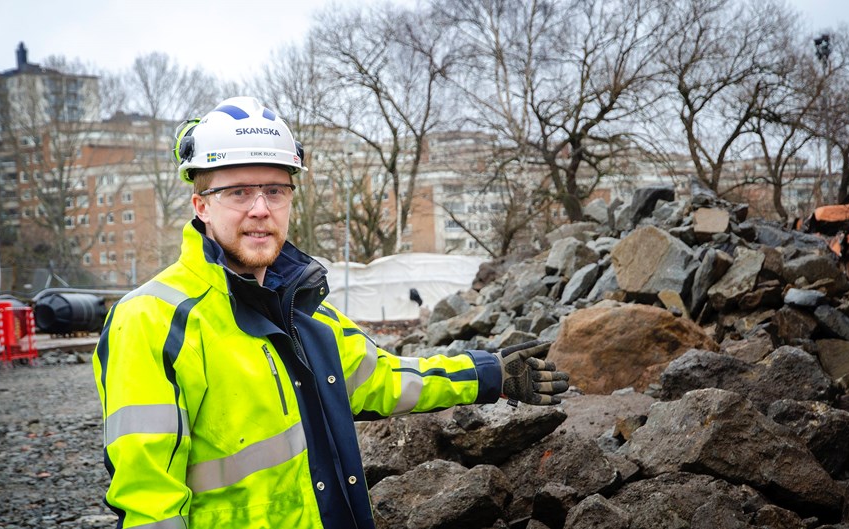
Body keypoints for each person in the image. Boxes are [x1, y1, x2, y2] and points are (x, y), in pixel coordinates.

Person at [92, 96, 569, 529]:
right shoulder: (153, 319)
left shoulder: (305, 311)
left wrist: (491, 374)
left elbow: (381, 377)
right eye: (238, 192)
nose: (260, 208)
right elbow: (149, 502)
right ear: (201, 206)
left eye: (275, 191)